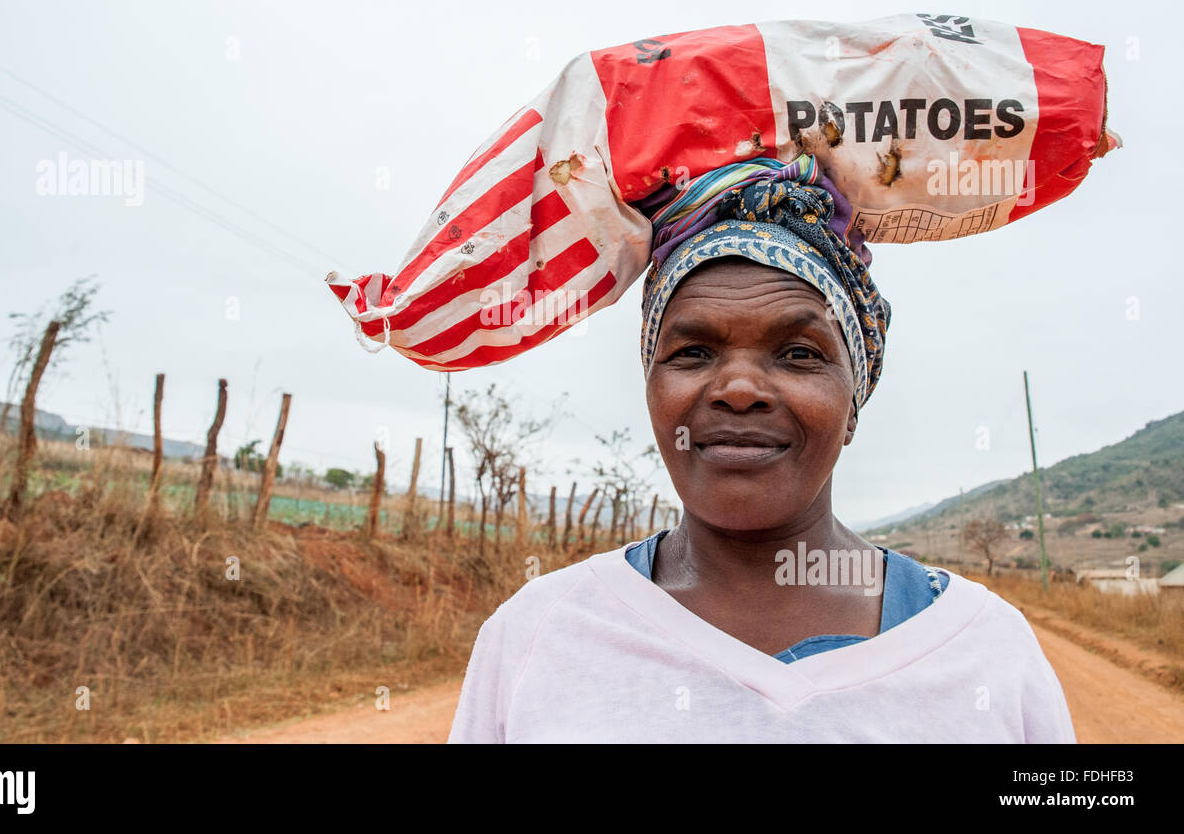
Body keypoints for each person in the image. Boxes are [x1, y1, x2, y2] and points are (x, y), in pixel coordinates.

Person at [446, 156, 1076, 743]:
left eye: (800, 353)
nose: (739, 389)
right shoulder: (537, 638)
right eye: (693, 352)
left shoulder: (984, 653)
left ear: (853, 402)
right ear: (651, 387)